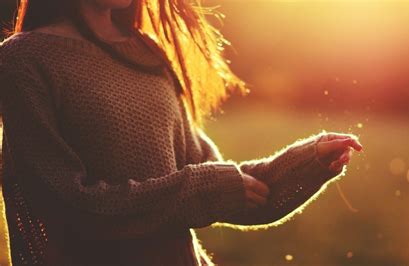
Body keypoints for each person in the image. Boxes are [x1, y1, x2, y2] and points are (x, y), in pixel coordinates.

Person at [0, 0, 363, 265]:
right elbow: (66, 205)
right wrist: (201, 190)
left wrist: (308, 161)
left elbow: (229, 187)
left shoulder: (146, 52)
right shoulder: (24, 61)